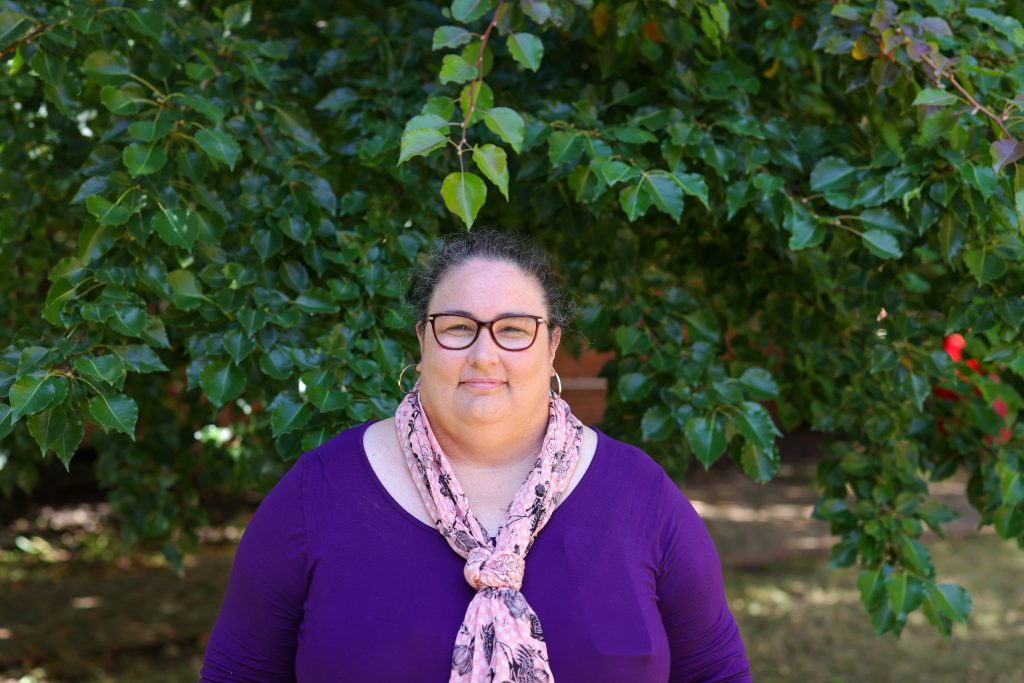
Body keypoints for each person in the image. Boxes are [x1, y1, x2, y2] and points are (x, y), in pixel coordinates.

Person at [200, 229, 751, 683]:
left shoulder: (640, 497)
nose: (484, 354)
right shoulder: (317, 493)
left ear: (552, 346)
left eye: (513, 329)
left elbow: (716, 675)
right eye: (458, 328)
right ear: (422, 342)